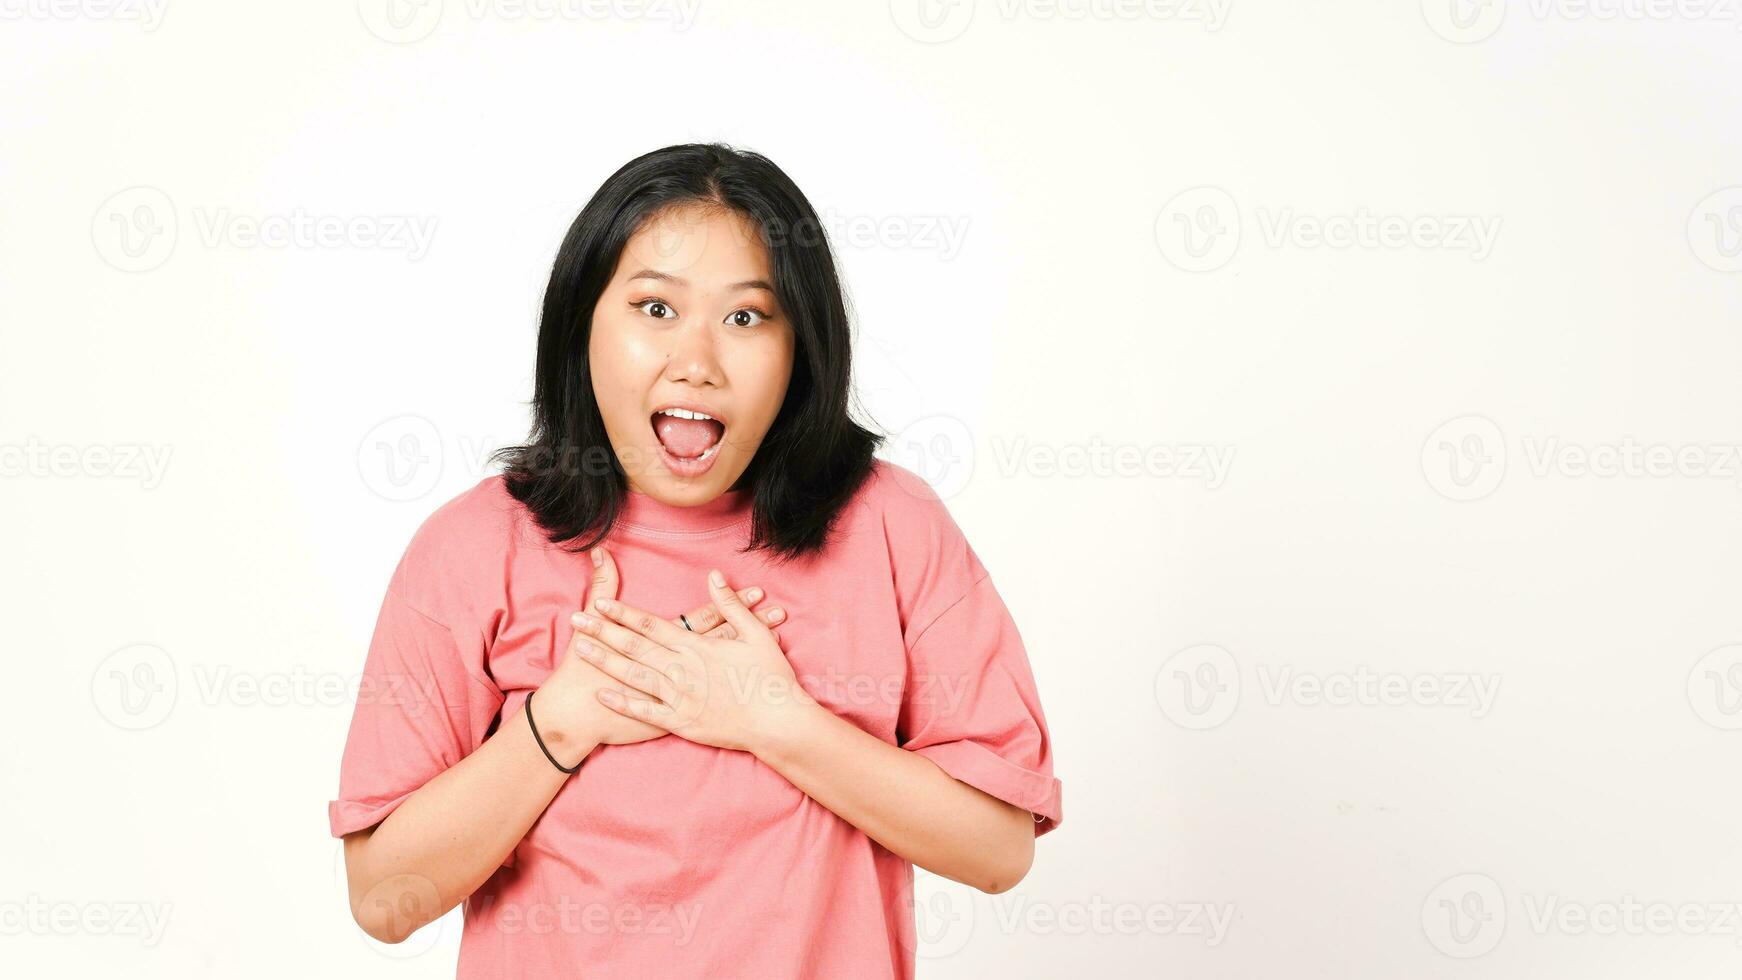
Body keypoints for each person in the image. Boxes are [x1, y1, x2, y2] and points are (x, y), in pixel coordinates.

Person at [328, 142, 1062, 979]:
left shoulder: (895, 526)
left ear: (801, 348)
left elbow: (999, 849)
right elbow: (383, 897)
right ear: (583, 325)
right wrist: (564, 719)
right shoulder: (473, 547)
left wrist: (772, 720)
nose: (698, 362)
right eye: (654, 309)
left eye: (746, 317)